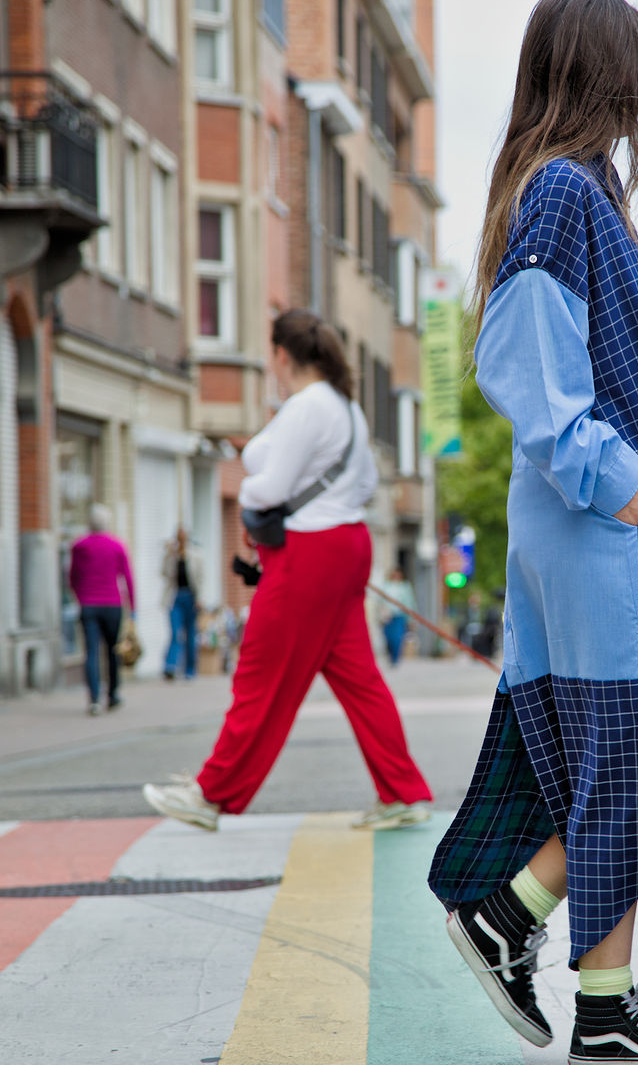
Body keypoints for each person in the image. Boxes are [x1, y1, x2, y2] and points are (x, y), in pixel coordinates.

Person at [429, 0, 638, 1065]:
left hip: (592, 529)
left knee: (620, 761)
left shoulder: (569, 187)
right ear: (611, 71)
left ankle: (604, 1003)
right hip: (596, 530)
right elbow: (517, 356)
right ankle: (507, 917)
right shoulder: (566, 193)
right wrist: (612, 476)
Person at [142, 308, 433, 832]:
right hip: (345, 544)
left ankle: (212, 794)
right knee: (359, 680)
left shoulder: (305, 408)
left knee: (260, 670)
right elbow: (364, 485)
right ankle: (402, 791)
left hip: (308, 553)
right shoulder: (346, 407)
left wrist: (252, 489)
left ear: (281, 354)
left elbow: (269, 487)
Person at [68, 503, 135, 716]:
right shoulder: (117, 545)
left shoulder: (80, 546)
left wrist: (80, 597)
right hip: (112, 605)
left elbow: (72, 576)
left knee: (91, 652)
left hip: (88, 605)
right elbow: (128, 578)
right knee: (112, 651)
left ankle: (94, 699)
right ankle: (113, 694)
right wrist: (132, 607)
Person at [161, 526, 203, 680]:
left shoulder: (195, 555)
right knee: (175, 632)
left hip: (190, 597)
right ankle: (170, 666)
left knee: (191, 633)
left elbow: (200, 579)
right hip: (175, 596)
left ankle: (190, 670)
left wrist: (200, 598)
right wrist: (168, 555)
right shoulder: (172, 556)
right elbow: (164, 573)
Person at [377, 565, 416, 666]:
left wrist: (411, 618)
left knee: (397, 637)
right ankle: (390, 655)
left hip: (399, 615)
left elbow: (410, 602)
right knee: (388, 637)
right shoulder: (386, 586)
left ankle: (395, 658)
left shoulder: (405, 587)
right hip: (387, 616)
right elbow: (380, 601)